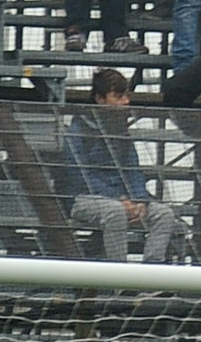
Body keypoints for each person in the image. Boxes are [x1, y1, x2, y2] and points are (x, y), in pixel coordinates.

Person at [62, 70, 186, 261]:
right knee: (115, 212)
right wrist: (120, 199)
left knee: (164, 214)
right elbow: (80, 176)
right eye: (119, 96)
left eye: (126, 95)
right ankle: (117, 281)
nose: (126, 101)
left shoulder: (122, 131)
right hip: (82, 199)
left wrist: (140, 200)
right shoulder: (78, 131)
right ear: (100, 99)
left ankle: (152, 279)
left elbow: (133, 170)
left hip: (123, 199)